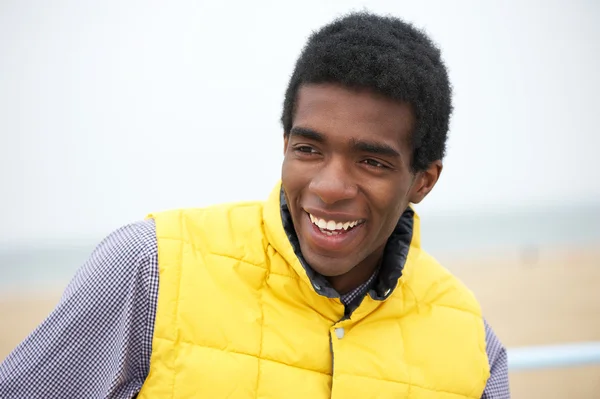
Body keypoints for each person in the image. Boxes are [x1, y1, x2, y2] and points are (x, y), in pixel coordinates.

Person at [0, 11, 510, 399]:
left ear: (423, 180)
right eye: (308, 149)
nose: (330, 186)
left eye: (371, 161)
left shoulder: (470, 341)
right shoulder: (150, 266)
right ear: (285, 142)